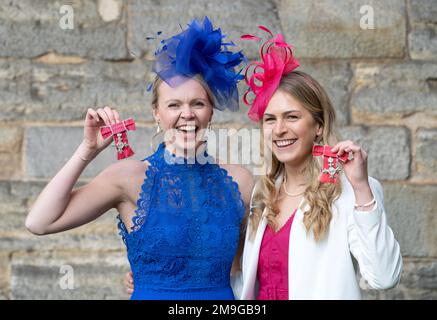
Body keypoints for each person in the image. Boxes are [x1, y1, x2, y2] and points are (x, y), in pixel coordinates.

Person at [126, 27, 403, 300]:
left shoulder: (351, 193)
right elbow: (238, 275)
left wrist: (362, 188)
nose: (279, 129)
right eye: (270, 119)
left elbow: (384, 276)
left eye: (292, 117)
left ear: (318, 125)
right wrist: (156, 278)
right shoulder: (262, 194)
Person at [25, 16, 253, 300]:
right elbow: (39, 222)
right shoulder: (129, 176)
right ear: (157, 113)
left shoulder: (240, 181)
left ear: (211, 112)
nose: (187, 114)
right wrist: (87, 151)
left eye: (198, 103)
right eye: (174, 105)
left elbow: (247, 266)